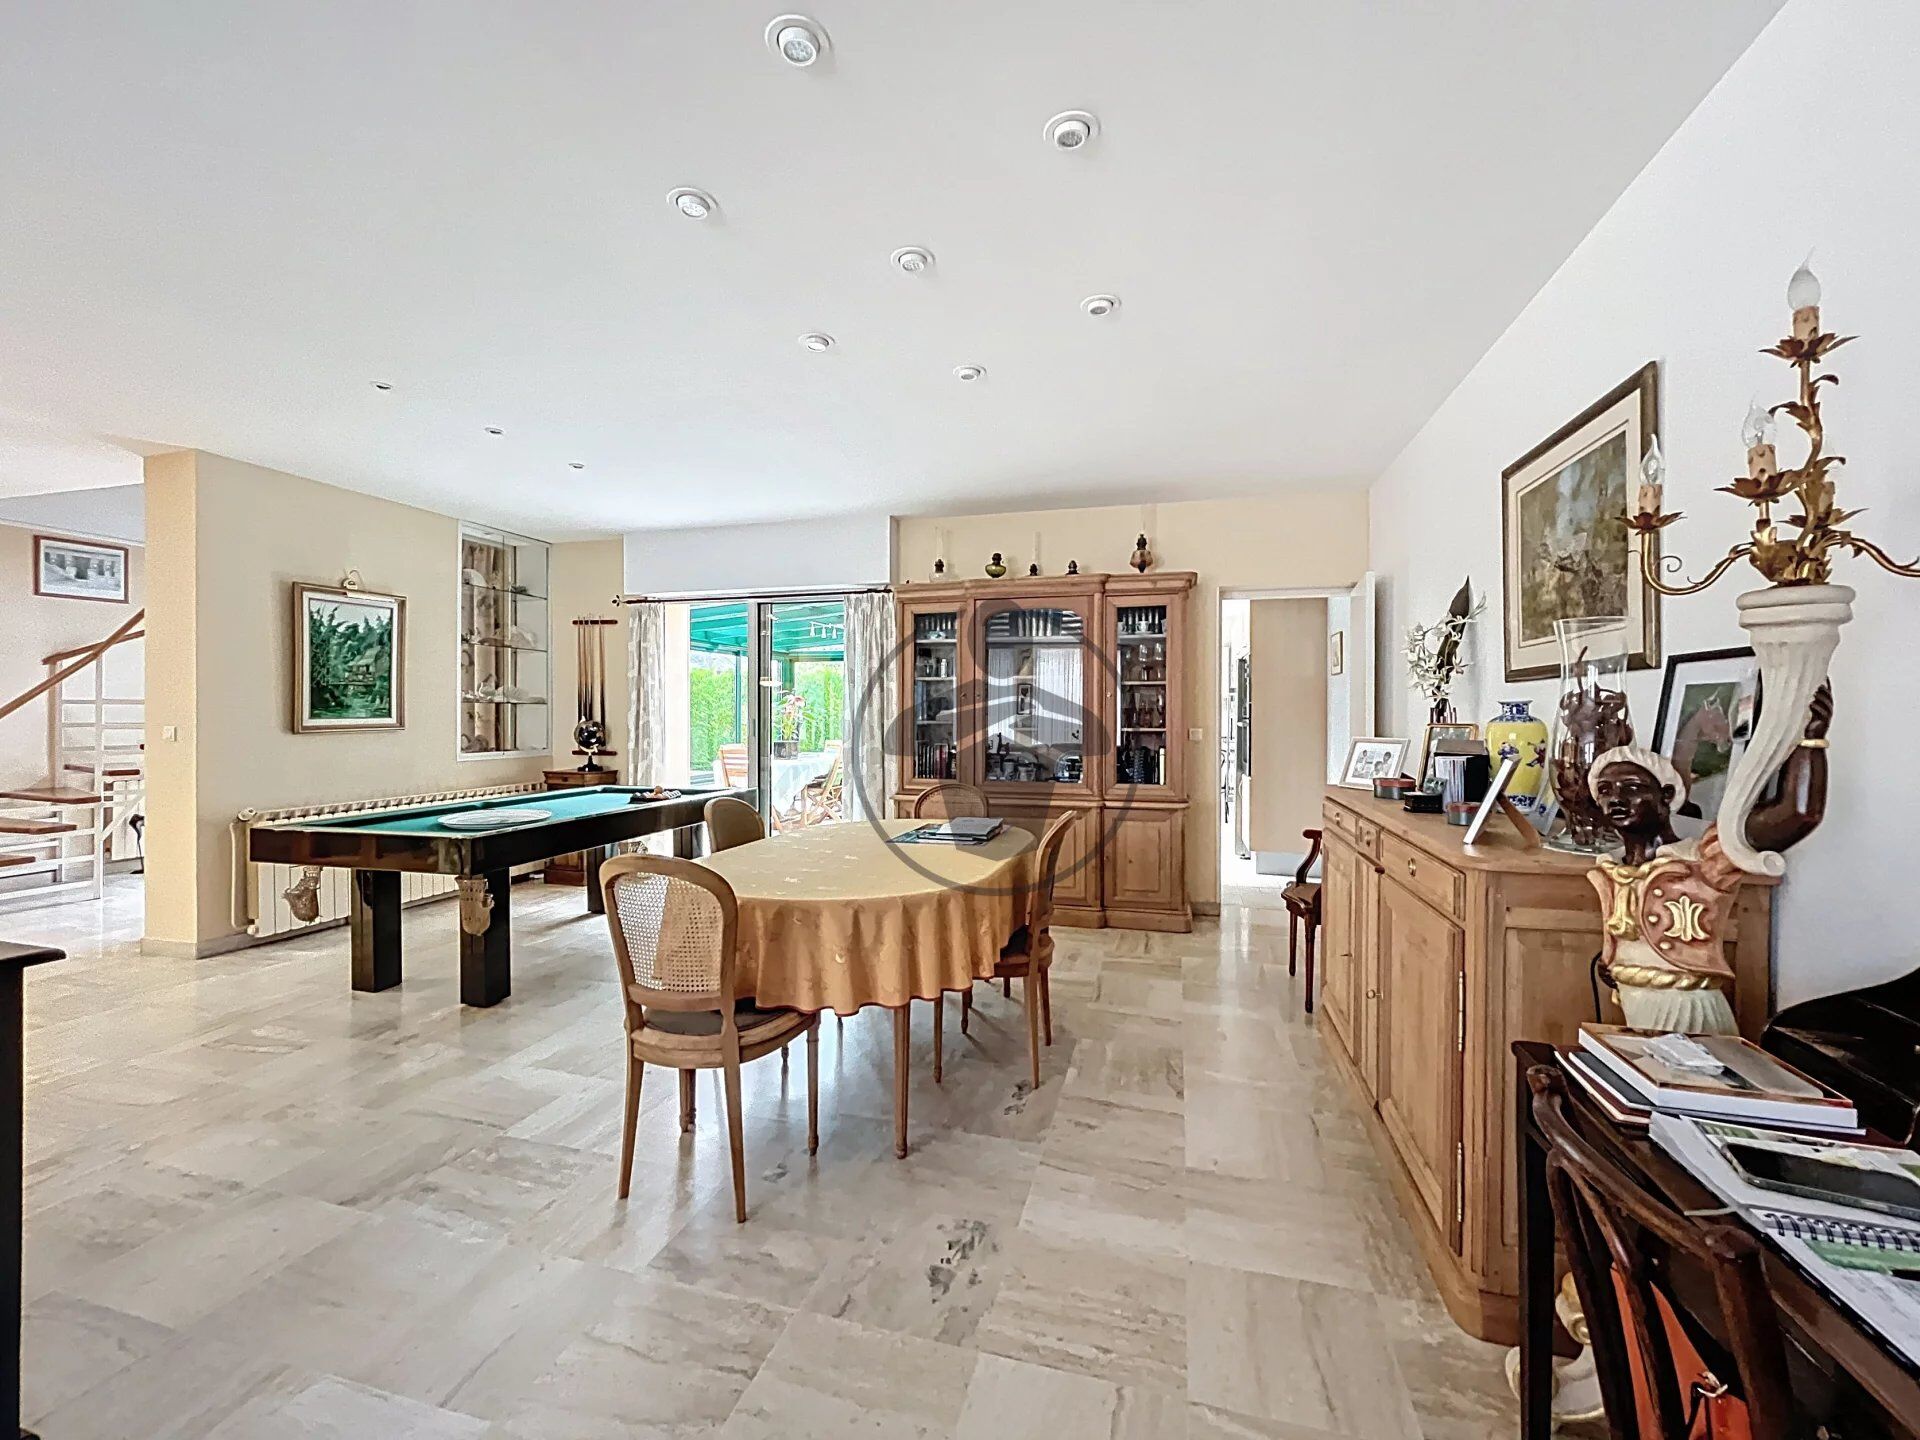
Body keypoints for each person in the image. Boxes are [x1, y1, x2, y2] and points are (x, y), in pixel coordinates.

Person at [1585, 685, 1831, 1032]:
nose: (1616, 799)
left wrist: (1811, 740)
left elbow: (1797, 814)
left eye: (1633, 788)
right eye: (1605, 791)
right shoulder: (1611, 868)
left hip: (1690, 1009)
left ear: (1666, 795)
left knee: (1696, 1063)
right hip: (1633, 1005)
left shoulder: (1703, 860)